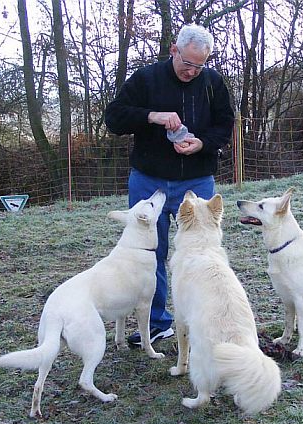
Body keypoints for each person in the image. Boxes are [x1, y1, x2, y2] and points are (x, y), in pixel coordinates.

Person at [105, 23, 235, 345]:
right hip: (148, 181)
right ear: (173, 51)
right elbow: (114, 118)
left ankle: (207, 320)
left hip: (197, 182)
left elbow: (224, 125)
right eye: (187, 63)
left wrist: (202, 144)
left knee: (203, 254)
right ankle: (159, 323)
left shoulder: (213, 83)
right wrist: (153, 116)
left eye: (199, 65)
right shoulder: (147, 78)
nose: (192, 71)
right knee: (153, 253)